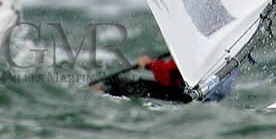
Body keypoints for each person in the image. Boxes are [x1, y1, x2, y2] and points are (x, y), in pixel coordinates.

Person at [94, 54, 237, 103]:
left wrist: (149, 65)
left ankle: (99, 89)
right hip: (208, 96)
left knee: (117, 85)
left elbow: (170, 75)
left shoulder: (194, 49)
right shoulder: (227, 49)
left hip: (184, 96)